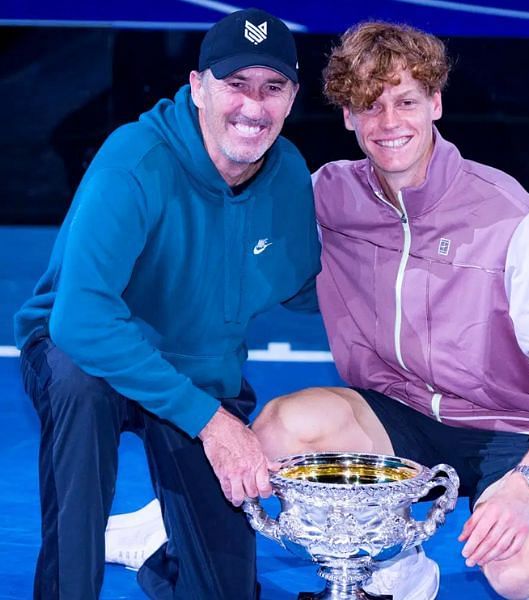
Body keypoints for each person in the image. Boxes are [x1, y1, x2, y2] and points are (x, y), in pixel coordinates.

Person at [109, 20, 529, 599]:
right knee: (285, 426)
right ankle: (390, 556)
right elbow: (243, 253)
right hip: (396, 416)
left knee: (515, 576)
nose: (389, 124)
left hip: (513, 430)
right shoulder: (328, 195)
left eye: (406, 102)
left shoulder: (510, 217)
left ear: (436, 103)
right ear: (346, 115)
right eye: (369, 106)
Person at [14, 8, 319, 598]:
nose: (253, 107)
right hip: (91, 357)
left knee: (225, 589)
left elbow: (306, 287)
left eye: (272, 88)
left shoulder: (288, 175)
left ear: (291, 98)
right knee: (80, 385)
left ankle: (162, 556)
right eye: (235, 84)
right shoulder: (134, 161)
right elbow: (78, 320)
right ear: (198, 87)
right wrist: (211, 424)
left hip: (200, 373)